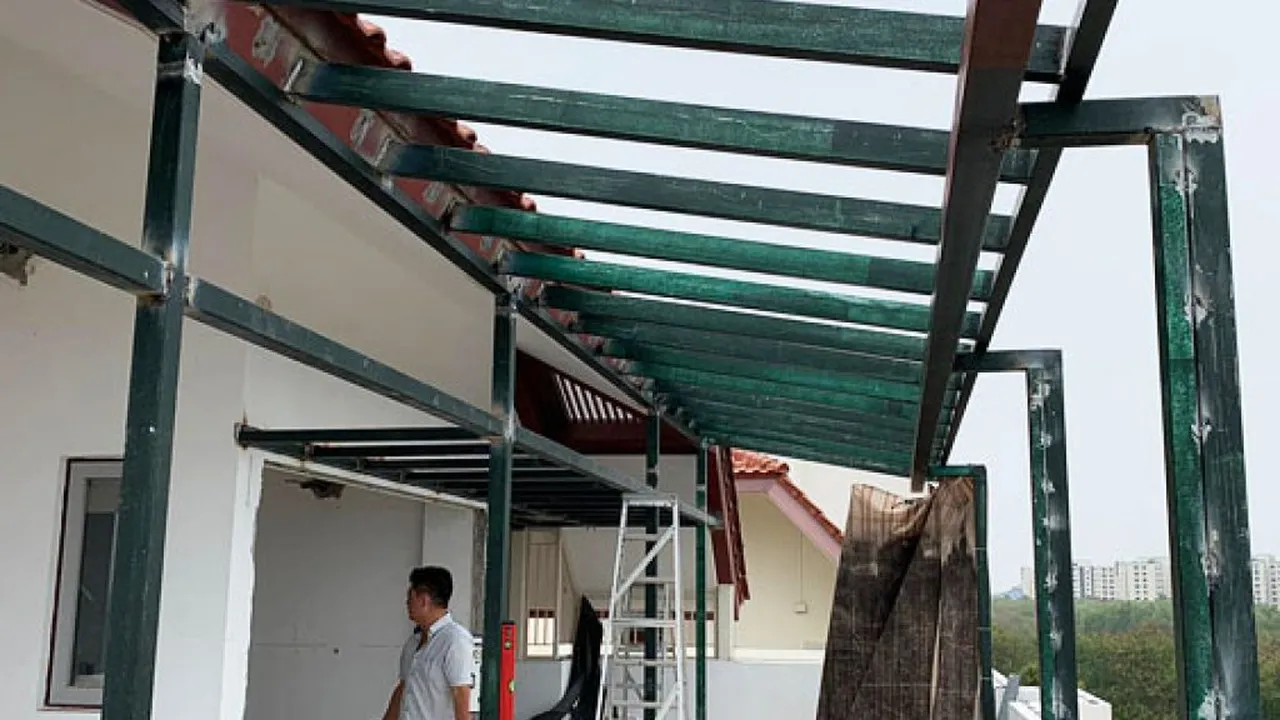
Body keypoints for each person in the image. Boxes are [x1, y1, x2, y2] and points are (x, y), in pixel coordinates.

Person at [381, 566, 475, 720]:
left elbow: (461, 696)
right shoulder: (412, 643)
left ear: (424, 600)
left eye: (410, 598)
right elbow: (403, 690)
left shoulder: (455, 641)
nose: (407, 604)